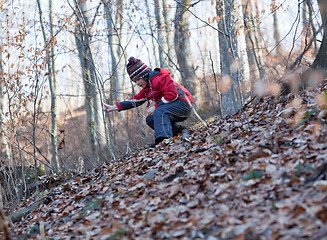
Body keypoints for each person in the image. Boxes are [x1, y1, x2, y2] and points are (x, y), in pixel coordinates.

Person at [103, 57, 195, 148]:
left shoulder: (160, 77)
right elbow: (135, 100)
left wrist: (156, 106)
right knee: (150, 119)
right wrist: (113, 107)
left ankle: (164, 141)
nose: (137, 83)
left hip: (185, 103)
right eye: (135, 81)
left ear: (144, 74)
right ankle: (179, 131)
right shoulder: (147, 88)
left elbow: (172, 94)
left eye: (138, 79)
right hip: (175, 106)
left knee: (159, 111)